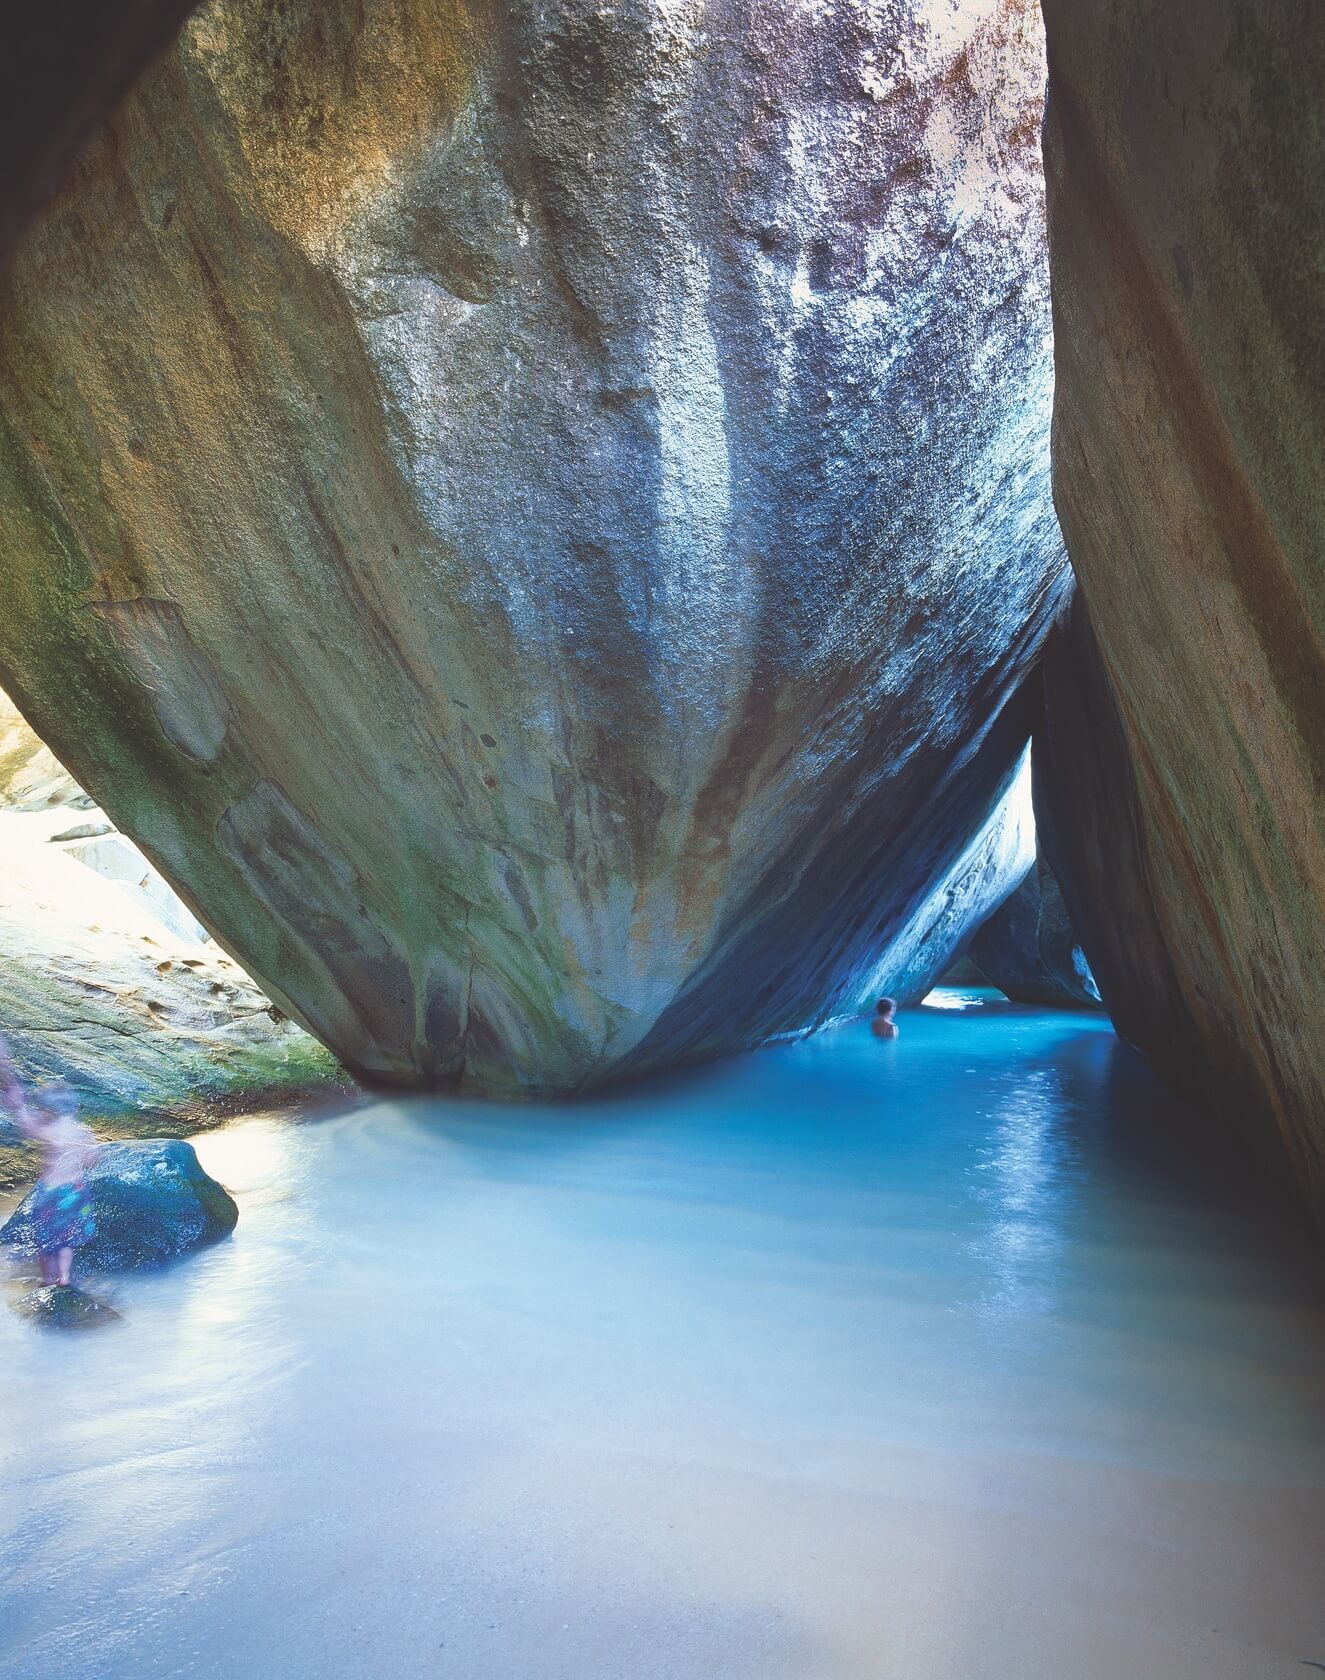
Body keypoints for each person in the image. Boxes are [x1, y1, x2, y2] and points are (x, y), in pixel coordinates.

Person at [0, 1035, 98, 1286]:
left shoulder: (47, 1130)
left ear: (47, 1110)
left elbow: (26, 1123)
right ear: (73, 1108)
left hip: (51, 1191)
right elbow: (93, 1159)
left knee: (46, 1241)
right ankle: (64, 1278)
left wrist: (18, 1102)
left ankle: (48, 1279)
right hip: (76, 1190)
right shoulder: (84, 1131)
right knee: (67, 1239)